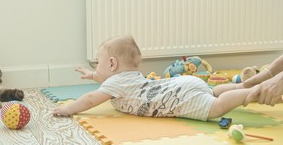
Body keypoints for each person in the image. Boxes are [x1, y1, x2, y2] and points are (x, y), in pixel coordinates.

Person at [53, 35, 261, 121]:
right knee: (211, 91)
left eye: (98, 64)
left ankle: (250, 92)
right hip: (181, 84)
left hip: (178, 98)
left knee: (215, 107)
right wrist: (94, 75)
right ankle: (243, 85)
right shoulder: (128, 78)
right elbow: (107, 82)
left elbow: (90, 99)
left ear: (112, 65)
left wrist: (68, 108)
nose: (96, 69)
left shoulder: (115, 83)